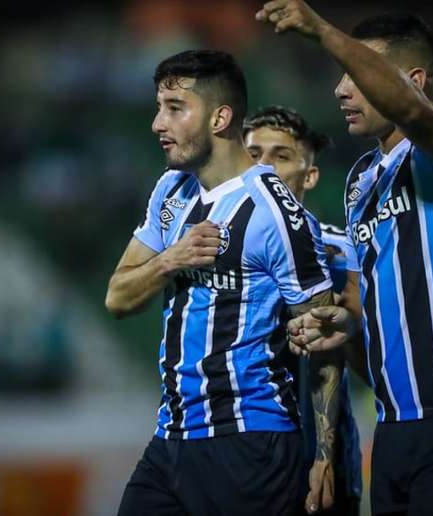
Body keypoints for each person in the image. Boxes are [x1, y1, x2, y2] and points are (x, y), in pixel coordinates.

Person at [256, 3, 433, 515]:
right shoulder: (363, 179)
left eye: (358, 73)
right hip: (397, 426)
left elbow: (414, 114)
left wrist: (320, 29)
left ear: (415, 79)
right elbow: (376, 295)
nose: (341, 89)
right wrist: (345, 322)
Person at [105, 49, 342, 516]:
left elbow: (322, 338)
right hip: (171, 437)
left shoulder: (277, 214)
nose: (158, 123)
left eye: (174, 108)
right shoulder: (171, 189)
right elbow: (117, 297)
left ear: (220, 117)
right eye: (159, 108)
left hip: (249, 442)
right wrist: (169, 260)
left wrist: (324, 456)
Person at [243, 105, 363, 516]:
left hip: (319, 453)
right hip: (237, 451)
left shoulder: (343, 251)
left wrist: (324, 455)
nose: (262, 168)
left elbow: (364, 355)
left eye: (279, 156)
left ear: (309, 175)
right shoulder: (211, 245)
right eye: (253, 154)